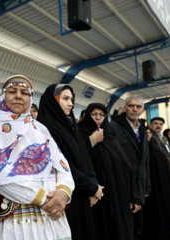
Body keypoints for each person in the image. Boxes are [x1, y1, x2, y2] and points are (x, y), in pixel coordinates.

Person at [0, 75, 74, 240]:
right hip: (9, 222)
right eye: (12, 91)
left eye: (24, 93)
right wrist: (42, 198)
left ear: (31, 97)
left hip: (48, 219)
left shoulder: (40, 129)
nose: (18, 95)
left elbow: (62, 166)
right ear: (3, 96)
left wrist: (63, 192)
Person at [37, 84, 103, 240]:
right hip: (65, 198)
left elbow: (85, 158)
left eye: (71, 99)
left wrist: (94, 185)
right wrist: (91, 187)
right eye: (65, 99)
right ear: (53, 101)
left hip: (83, 195)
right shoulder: (46, 128)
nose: (71, 104)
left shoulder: (71, 126)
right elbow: (63, 166)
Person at [78, 103, 134, 240]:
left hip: (116, 193)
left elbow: (125, 166)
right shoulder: (80, 135)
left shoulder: (110, 136)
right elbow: (79, 159)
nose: (98, 117)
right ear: (87, 116)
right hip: (95, 193)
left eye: (101, 115)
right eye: (94, 114)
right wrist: (92, 141)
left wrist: (130, 194)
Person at [110, 95, 150, 240]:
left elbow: (145, 161)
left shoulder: (143, 130)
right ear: (125, 107)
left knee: (138, 227)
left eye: (138, 106)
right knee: (126, 230)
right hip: (123, 187)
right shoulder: (114, 127)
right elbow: (117, 162)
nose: (135, 109)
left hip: (139, 187)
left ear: (143, 110)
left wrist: (146, 186)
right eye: (131, 106)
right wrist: (132, 194)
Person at [143, 117, 170, 240]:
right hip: (159, 174)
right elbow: (159, 155)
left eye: (160, 124)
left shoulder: (164, 138)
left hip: (168, 172)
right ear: (150, 125)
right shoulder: (151, 138)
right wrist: (168, 162)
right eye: (155, 123)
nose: (158, 126)